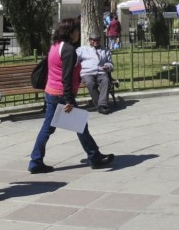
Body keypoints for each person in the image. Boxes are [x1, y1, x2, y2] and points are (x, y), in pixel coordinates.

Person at [28, 18, 115, 174]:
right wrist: (69, 100)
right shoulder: (68, 50)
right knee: (80, 126)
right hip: (62, 94)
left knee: (50, 128)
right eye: (76, 31)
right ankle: (94, 157)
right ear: (70, 32)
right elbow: (66, 77)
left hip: (51, 92)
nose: (78, 34)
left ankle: (35, 161)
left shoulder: (55, 46)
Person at [78, 32, 114, 114]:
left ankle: (102, 104)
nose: (96, 41)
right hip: (87, 72)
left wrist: (108, 66)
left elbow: (111, 64)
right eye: (93, 40)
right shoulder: (82, 50)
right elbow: (74, 60)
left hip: (101, 72)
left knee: (105, 81)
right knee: (90, 83)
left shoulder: (105, 50)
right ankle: (101, 104)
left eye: (98, 40)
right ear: (90, 40)